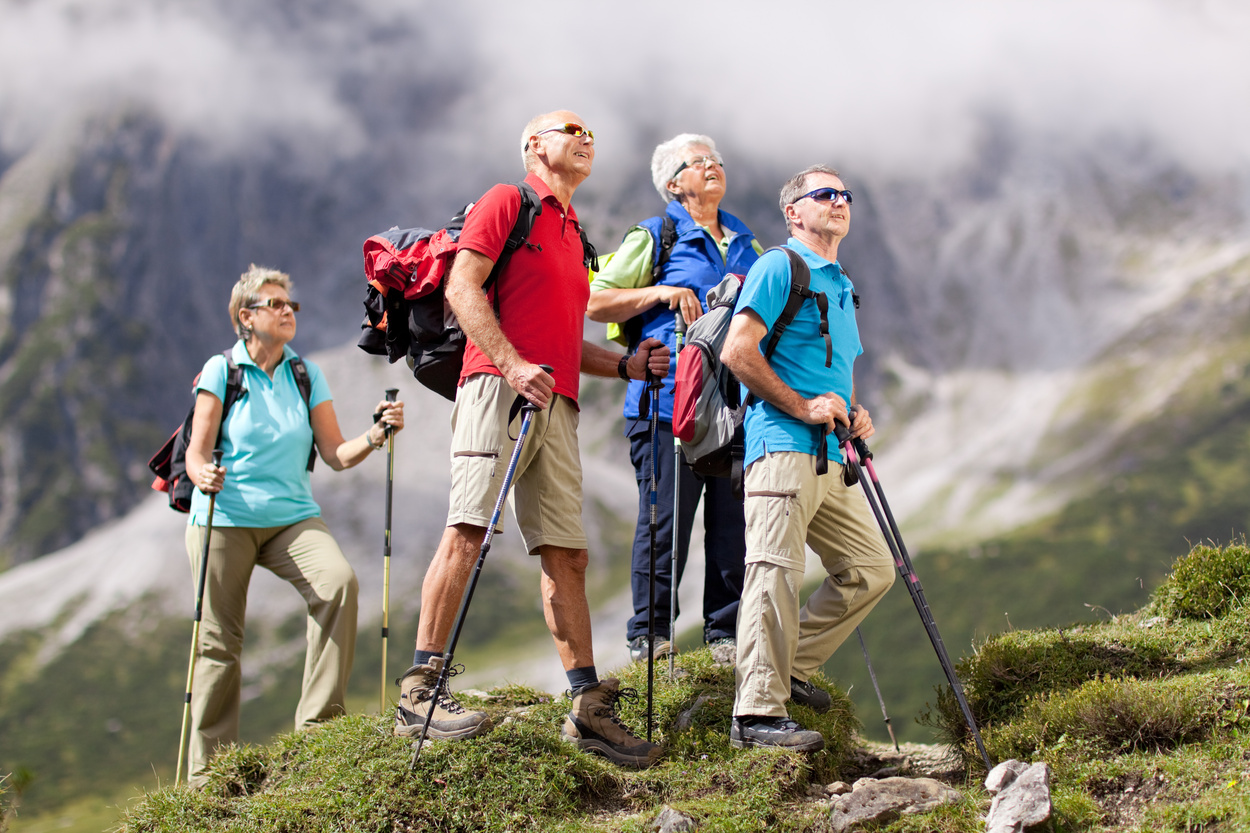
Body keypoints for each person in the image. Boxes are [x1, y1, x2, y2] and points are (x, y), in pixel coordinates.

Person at [393, 110, 670, 769]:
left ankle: (587, 705)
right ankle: (420, 690)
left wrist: (627, 365)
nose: (585, 136)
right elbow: (463, 286)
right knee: (468, 528)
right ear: (534, 146)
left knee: (566, 554)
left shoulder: (574, 234)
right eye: (568, 128)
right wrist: (512, 364)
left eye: (591, 133)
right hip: (497, 387)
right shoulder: (506, 201)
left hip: (558, 400)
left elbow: (566, 340)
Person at [184, 264, 405, 783]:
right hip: (226, 517)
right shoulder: (223, 370)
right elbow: (195, 454)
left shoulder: (305, 373)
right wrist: (204, 474)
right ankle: (210, 777)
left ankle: (320, 731)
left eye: (291, 305)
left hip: (291, 517)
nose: (287, 311)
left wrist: (375, 434)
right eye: (275, 304)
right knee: (219, 642)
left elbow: (335, 454)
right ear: (246, 317)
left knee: (338, 584)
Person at [720, 165, 895, 751]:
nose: (839, 202)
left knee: (872, 569)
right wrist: (800, 406)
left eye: (846, 194)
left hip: (830, 454)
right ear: (794, 212)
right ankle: (756, 714)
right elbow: (738, 352)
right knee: (774, 571)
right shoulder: (779, 266)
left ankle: (790, 668)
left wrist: (853, 408)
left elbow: (822, 372)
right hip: (781, 448)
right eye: (825, 195)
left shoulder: (841, 283)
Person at [587, 134, 761, 664]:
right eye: (698, 162)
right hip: (665, 404)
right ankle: (651, 637)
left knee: (733, 527)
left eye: (716, 160)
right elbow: (594, 301)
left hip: (733, 408)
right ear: (672, 183)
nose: (712, 167)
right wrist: (662, 293)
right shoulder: (657, 235)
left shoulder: (749, 246)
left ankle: (724, 638)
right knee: (666, 522)